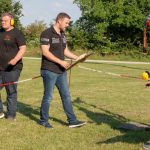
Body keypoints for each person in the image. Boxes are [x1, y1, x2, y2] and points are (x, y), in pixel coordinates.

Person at [39, 12, 86, 128]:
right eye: (66, 22)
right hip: (49, 70)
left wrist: (77, 58)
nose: (67, 25)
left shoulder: (63, 34)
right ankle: (43, 120)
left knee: (66, 96)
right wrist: (60, 62)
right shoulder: (46, 33)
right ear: (59, 20)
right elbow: (45, 52)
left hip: (61, 71)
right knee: (48, 97)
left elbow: (65, 51)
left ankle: (72, 121)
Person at [0, 12, 26, 120]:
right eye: (2, 20)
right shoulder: (0, 32)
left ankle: (11, 115)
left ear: (12, 21)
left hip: (12, 68)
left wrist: (15, 60)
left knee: (10, 91)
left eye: (5, 20)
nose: (2, 22)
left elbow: (23, 48)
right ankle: (0, 112)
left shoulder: (17, 33)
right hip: (0, 67)